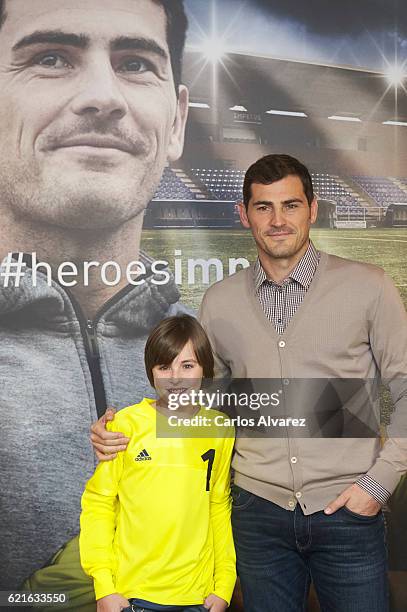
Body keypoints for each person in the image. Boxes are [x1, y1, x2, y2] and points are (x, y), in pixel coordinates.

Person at [94, 154, 407, 611]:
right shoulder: (219, 302)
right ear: (244, 214)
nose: (278, 220)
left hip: (347, 509)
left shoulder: (369, 286)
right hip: (257, 514)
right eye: (263, 207)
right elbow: (197, 406)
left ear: (313, 209)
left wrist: (377, 484)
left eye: (291, 205)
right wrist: (121, 431)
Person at [0, 0, 189, 594]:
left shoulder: (218, 348)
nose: (103, 96)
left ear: (177, 123)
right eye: (51, 58)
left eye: (136, 63)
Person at [80, 314, 236, 612]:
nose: (175, 377)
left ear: (205, 369)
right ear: (151, 372)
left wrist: (224, 585)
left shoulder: (219, 428)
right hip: (133, 596)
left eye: (187, 365)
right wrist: (104, 586)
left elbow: (218, 505)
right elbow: (99, 504)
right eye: (164, 366)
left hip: (199, 598)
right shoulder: (125, 424)